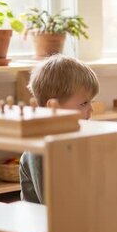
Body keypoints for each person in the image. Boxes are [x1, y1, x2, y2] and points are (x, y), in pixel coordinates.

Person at [19, 54, 99, 204]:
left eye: (91, 102)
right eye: (84, 103)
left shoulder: (71, 138)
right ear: (53, 107)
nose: (91, 109)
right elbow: (53, 205)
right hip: (45, 225)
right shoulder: (39, 150)